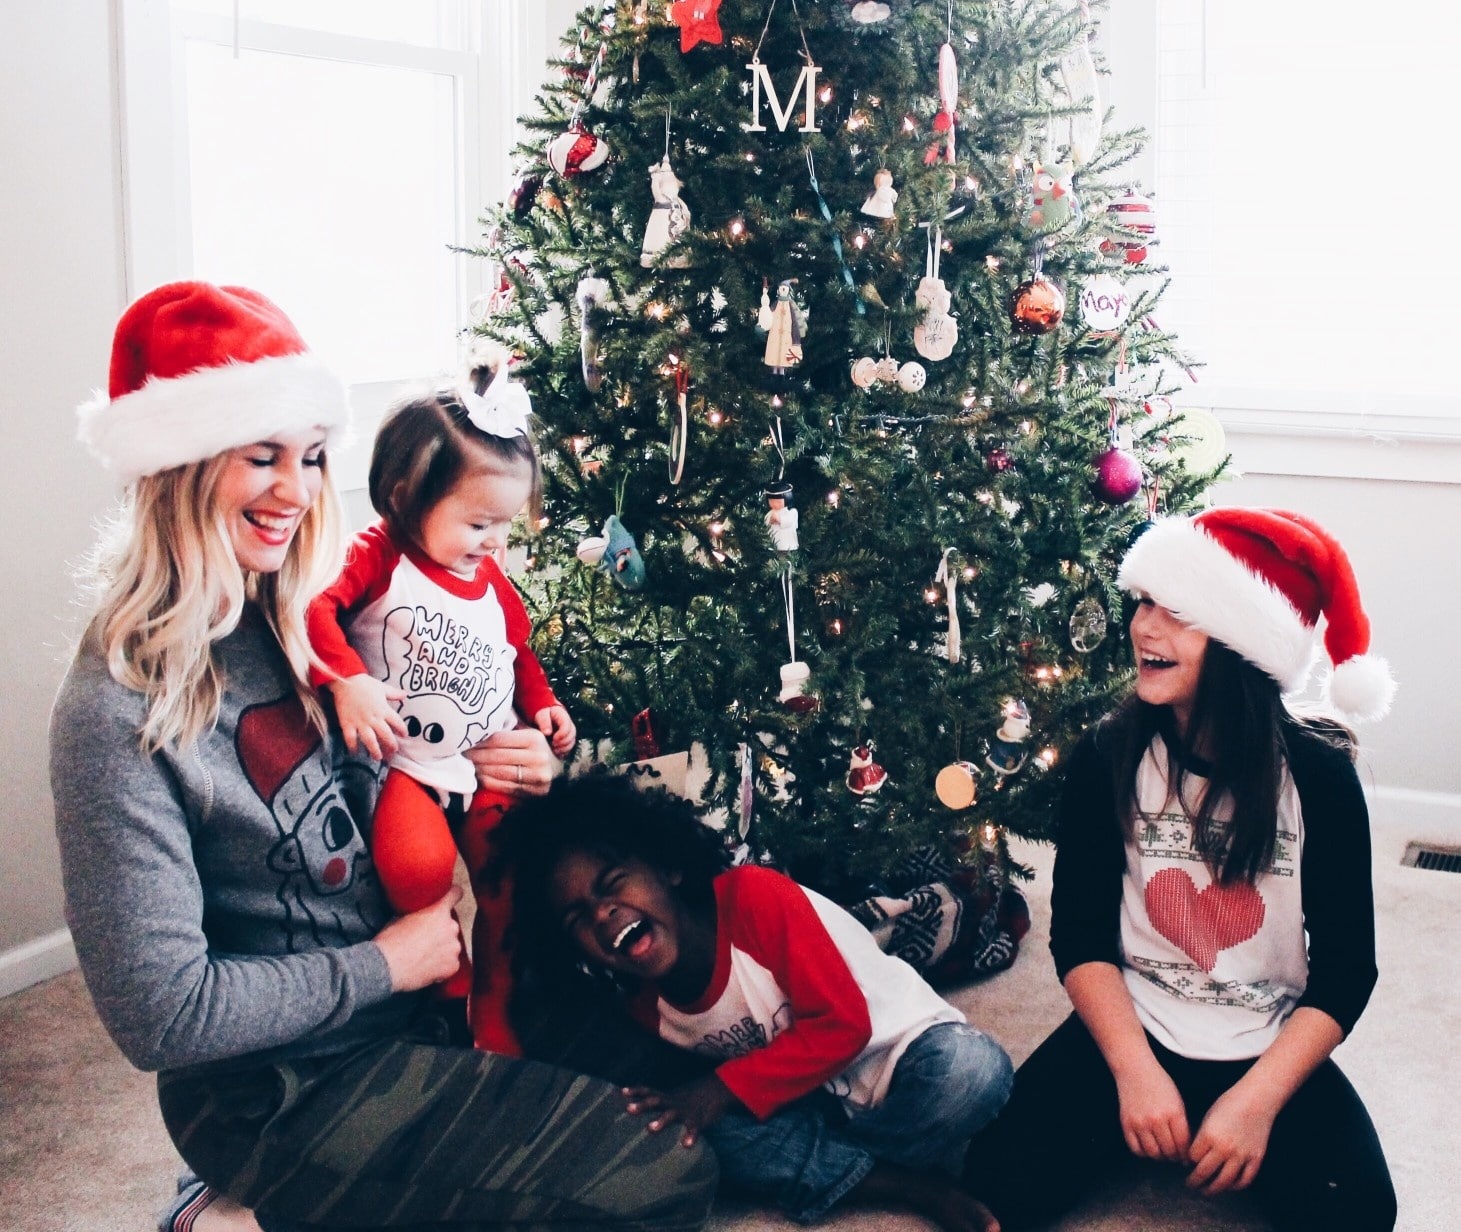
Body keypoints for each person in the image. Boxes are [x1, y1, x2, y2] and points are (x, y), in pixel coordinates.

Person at [50, 281, 717, 1232]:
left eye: (312, 458)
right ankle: (236, 1204)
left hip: (427, 1007)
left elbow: (418, 764)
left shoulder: (314, 619)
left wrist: (502, 761)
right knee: (664, 1181)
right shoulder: (114, 713)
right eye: (262, 457)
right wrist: (384, 964)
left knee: (696, 1093)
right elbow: (162, 1015)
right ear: (182, 466)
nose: (296, 490)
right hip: (279, 1084)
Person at [964, 507, 1398, 1232]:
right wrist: (1133, 1075)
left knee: (1355, 1213)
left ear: (1240, 644)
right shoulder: (1107, 754)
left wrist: (1253, 1103)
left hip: (1262, 1038)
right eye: (1141, 602)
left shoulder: (1319, 780)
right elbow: (1079, 938)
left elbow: (1348, 972)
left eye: (1178, 612)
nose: (1142, 627)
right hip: (1137, 1027)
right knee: (993, 1185)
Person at [493, 770, 1014, 1232]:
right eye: (577, 919)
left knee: (974, 1072)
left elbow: (844, 1027)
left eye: (613, 885)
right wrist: (698, 1108)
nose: (602, 913)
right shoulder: (639, 1004)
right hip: (806, 1102)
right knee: (695, 1137)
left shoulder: (753, 899)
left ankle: (850, 1172)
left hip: (902, 1056)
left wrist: (715, 1092)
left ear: (668, 868)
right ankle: (911, 1184)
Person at [305, 361, 574, 1056]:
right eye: (479, 521)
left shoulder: (490, 577)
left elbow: (518, 652)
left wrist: (543, 707)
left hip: (486, 761)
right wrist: (345, 680)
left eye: (505, 525)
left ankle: (500, 998)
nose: (495, 542)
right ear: (403, 498)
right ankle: (446, 985)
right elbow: (314, 610)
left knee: (512, 881)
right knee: (418, 872)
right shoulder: (377, 555)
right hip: (411, 763)